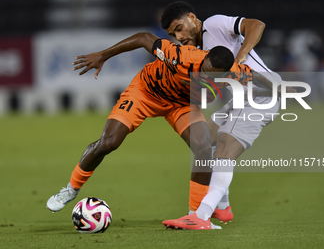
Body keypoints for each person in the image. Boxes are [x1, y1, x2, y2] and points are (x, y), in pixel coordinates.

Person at [46, 32, 269, 229]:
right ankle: (71, 188)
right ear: (206, 58)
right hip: (146, 93)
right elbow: (144, 38)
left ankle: (195, 216)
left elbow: (258, 78)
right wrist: (104, 55)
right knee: (109, 142)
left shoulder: (234, 72)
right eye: (207, 70)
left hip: (182, 104)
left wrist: (280, 87)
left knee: (203, 150)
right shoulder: (182, 56)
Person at [160, 1, 284, 229]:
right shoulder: (196, 53)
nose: (178, 36)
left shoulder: (213, 25)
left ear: (192, 17)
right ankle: (223, 207)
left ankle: (202, 215)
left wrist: (239, 59)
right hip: (241, 99)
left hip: (262, 95)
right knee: (204, 141)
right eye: (172, 34)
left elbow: (256, 24)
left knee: (225, 149)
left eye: (179, 28)